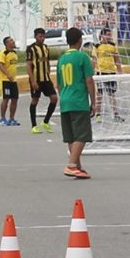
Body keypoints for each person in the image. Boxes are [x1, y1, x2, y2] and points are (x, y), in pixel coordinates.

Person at [54, 26, 96, 179]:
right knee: (82, 135)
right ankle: (71, 165)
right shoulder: (82, 57)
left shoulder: (61, 59)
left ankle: (77, 166)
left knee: (71, 137)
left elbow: (58, 85)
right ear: (80, 40)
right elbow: (89, 80)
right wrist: (94, 101)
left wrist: (64, 96)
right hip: (78, 100)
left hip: (65, 100)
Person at [24, 26, 56, 133]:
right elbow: (28, 66)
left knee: (54, 98)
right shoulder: (31, 49)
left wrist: (49, 74)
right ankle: (34, 125)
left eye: (43, 36)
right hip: (36, 79)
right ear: (35, 37)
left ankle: (46, 122)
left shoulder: (46, 48)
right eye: (40, 36)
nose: (42, 38)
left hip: (45, 79)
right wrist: (32, 81)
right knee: (35, 100)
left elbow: (47, 62)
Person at [93, 27, 124, 122]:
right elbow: (94, 59)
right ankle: (98, 114)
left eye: (110, 35)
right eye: (107, 34)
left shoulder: (113, 46)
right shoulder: (97, 46)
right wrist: (92, 71)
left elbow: (117, 59)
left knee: (112, 94)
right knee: (99, 94)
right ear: (102, 35)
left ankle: (115, 114)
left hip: (111, 72)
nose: (109, 37)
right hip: (101, 73)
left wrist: (120, 71)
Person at [0, 35, 22, 126]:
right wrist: (7, 75)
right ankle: (2, 118)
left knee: (14, 99)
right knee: (6, 99)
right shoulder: (3, 53)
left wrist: (12, 77)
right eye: (11, 41)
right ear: (6, 43)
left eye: (13, 40)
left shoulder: (14, 53)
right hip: (4, 80)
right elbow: (0, 65)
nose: (13, 42)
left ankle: (12, 118)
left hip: (13, 80)